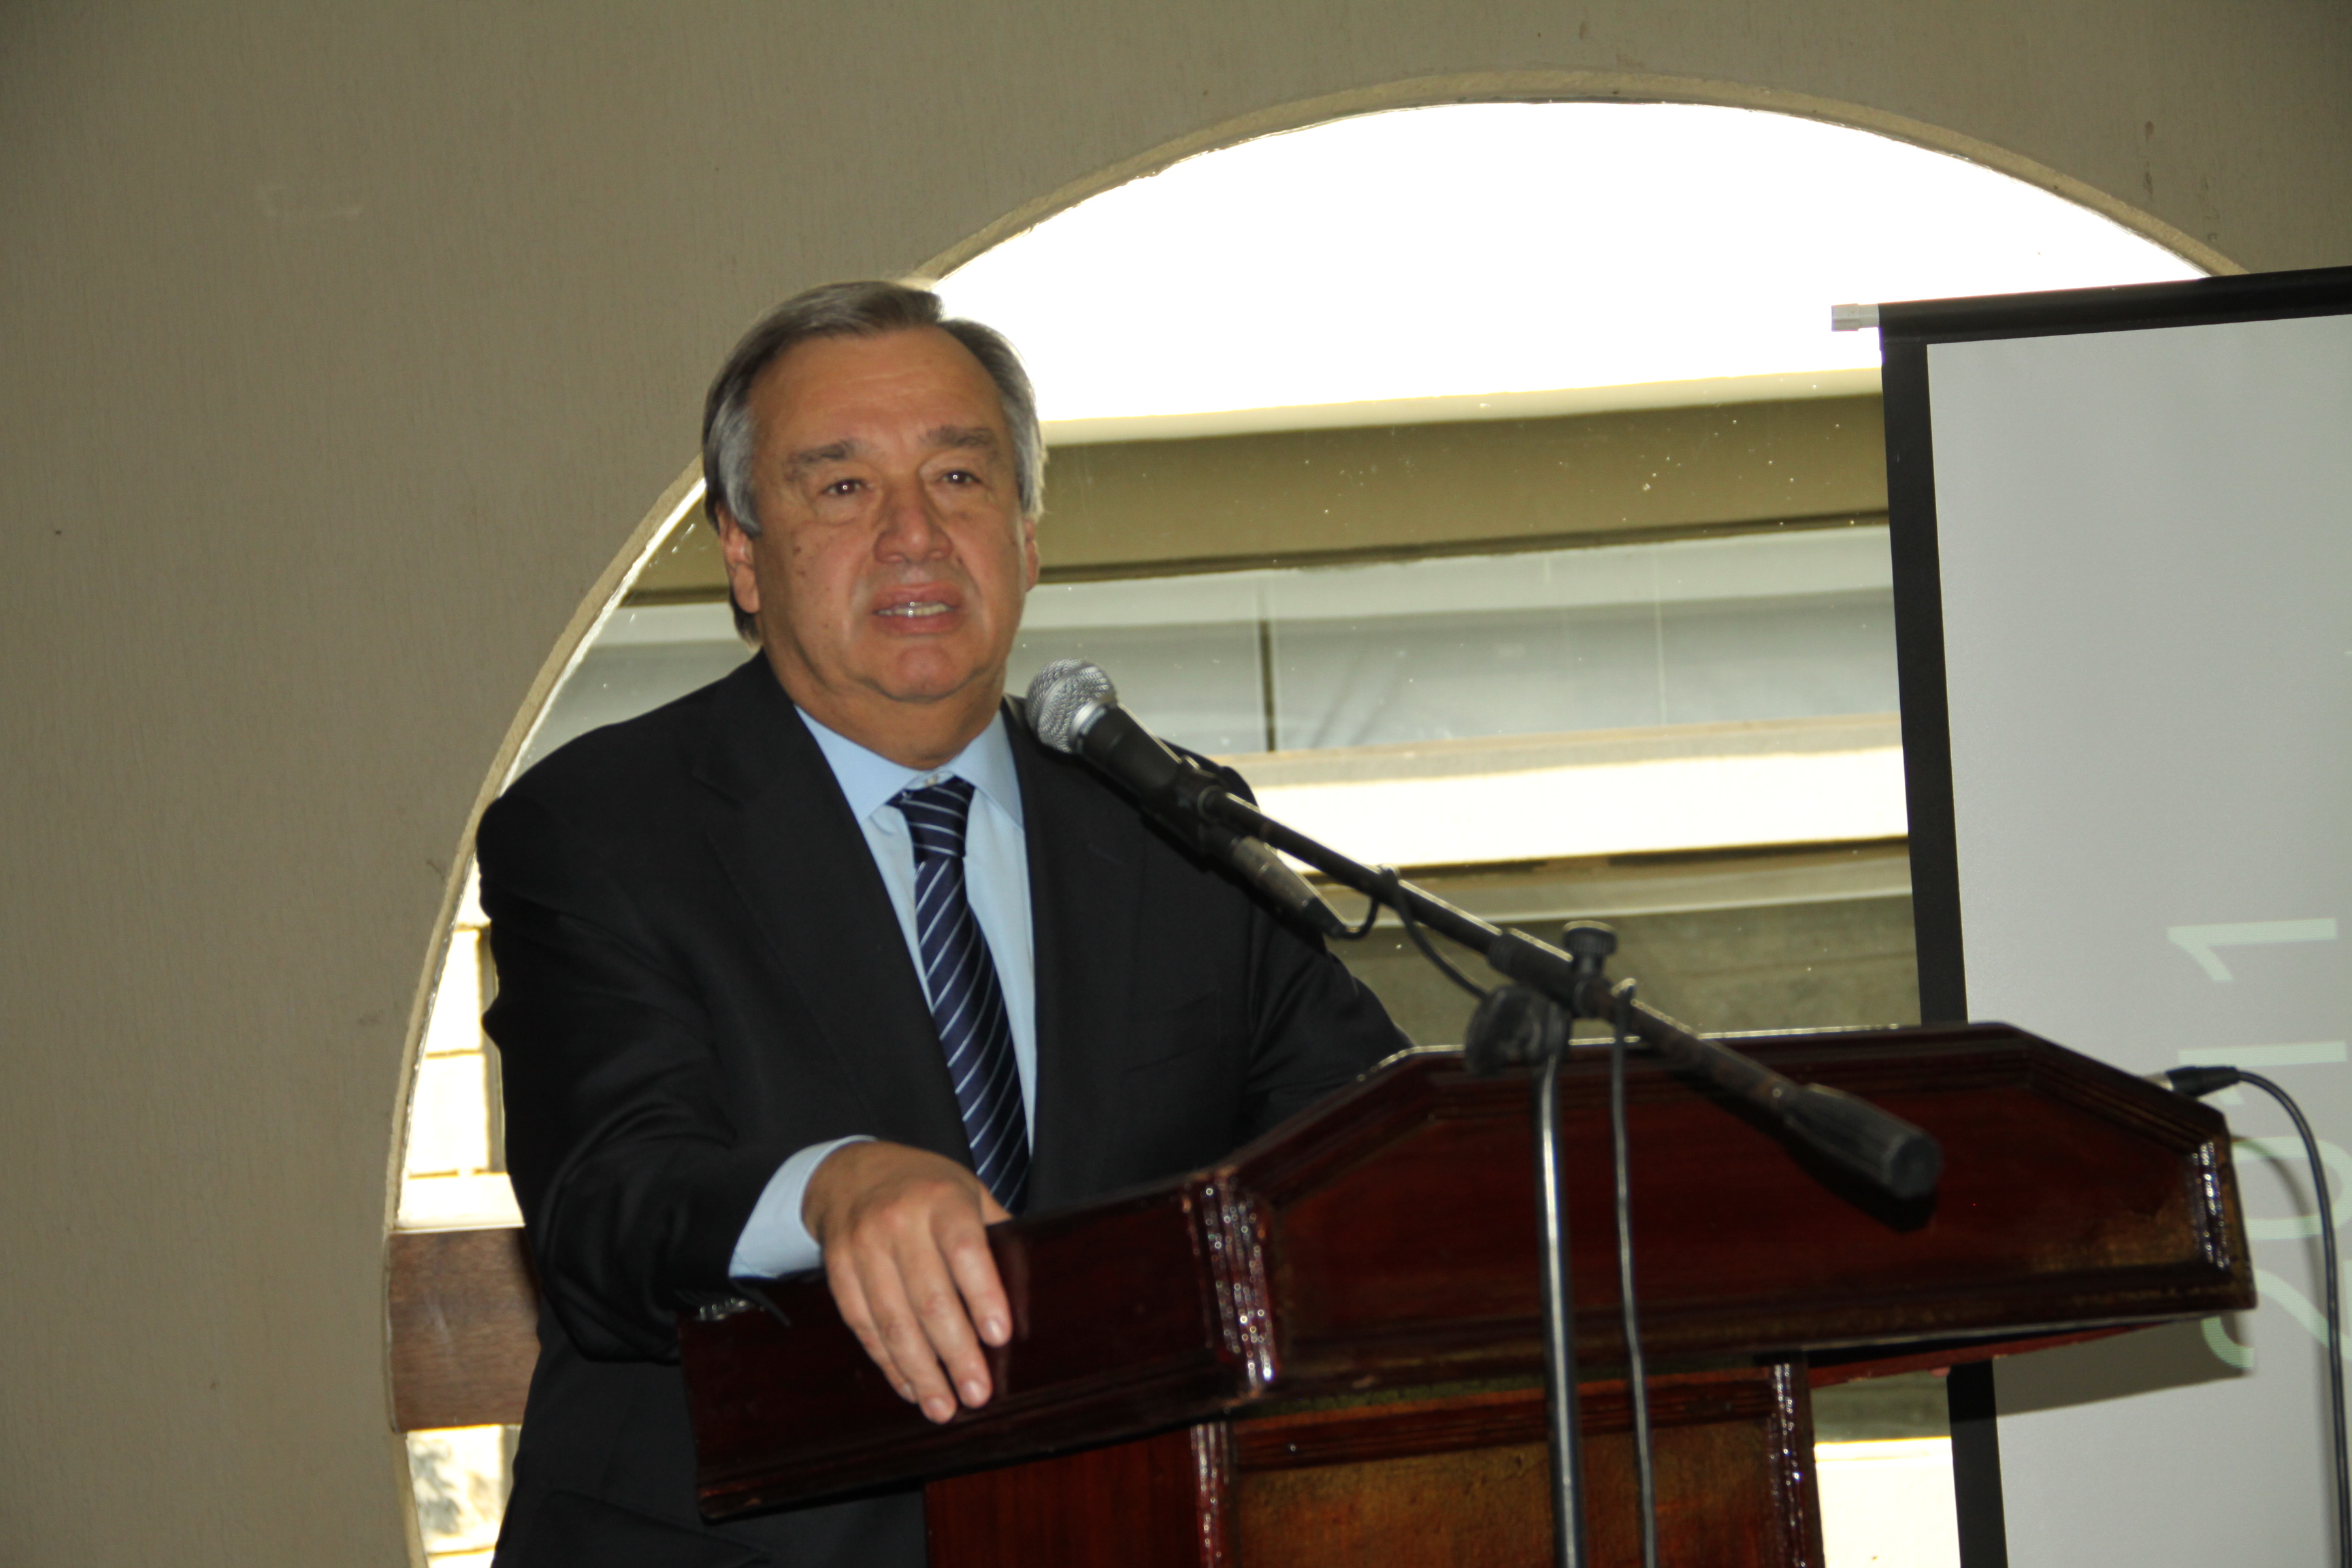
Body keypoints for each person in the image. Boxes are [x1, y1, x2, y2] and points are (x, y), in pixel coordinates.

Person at [476, 280, 1405, 1568]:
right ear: (743, 552)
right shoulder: (601, 828)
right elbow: (607, 1210)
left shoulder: (1172, 827)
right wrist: (831, 1190)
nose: (914, 533)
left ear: (1026, 536)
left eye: (960, 478)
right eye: (842, 486)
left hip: (1132, 1530)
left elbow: (1372, 1148)